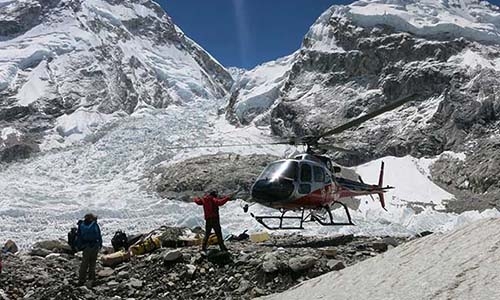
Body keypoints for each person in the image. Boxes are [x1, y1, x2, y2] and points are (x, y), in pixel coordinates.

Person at [76, 213, 102, 287]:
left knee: (84, 263)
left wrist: (79, 246)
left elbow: (79, 236)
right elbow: (99, 235)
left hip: (86, 246)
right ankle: (91, 278)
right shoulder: (94, 225)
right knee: (92, 263)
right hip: (95, 246)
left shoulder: (81, 225)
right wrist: (100, 244)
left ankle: (81, 279)